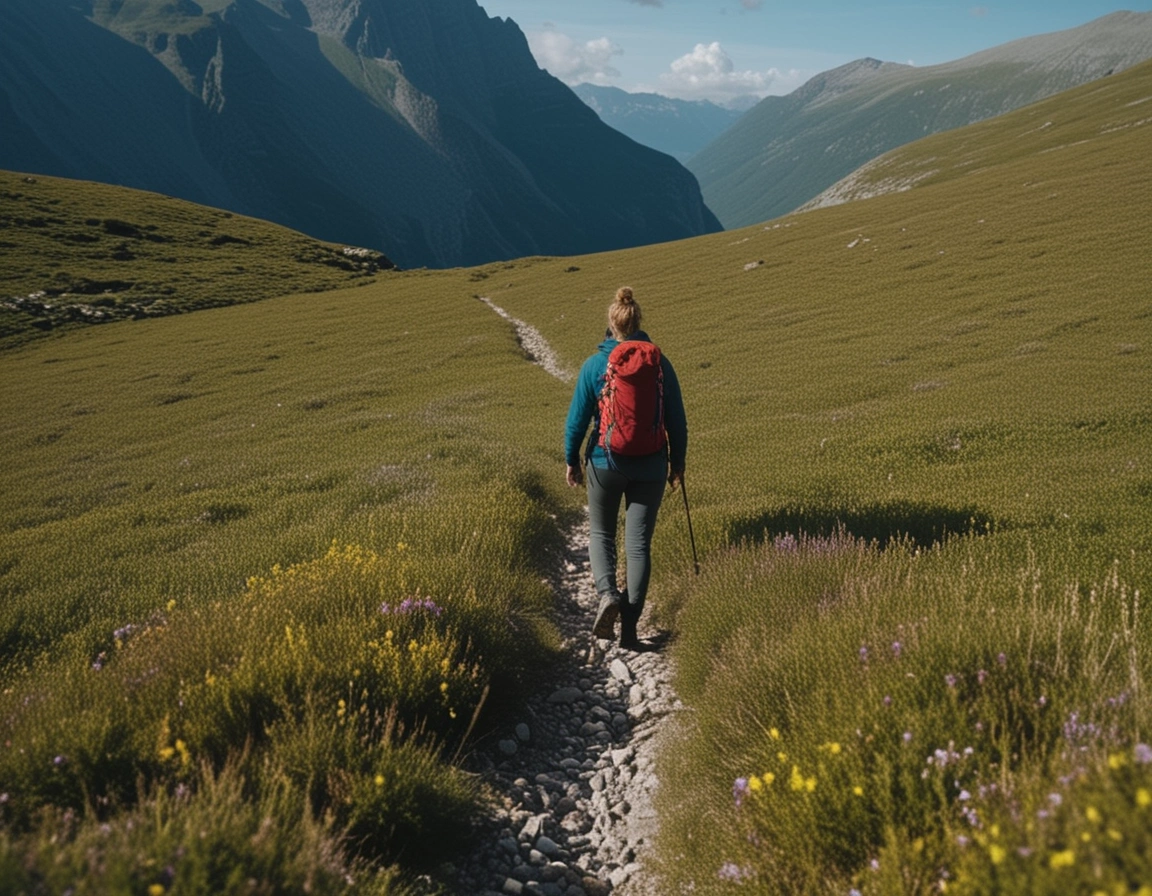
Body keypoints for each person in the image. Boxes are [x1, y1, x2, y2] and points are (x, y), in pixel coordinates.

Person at [564, 287, 687, 650]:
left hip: (605, 462)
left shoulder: (593, 366)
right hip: (650, 465)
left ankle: (607, 595)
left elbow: (576, 421)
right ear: (638, 322)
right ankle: (631, 632)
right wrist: (676, 463)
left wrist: (572, 461)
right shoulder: (660, 365)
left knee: (601, 534)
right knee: (638, 546)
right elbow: (677, 421)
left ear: (611, 325)